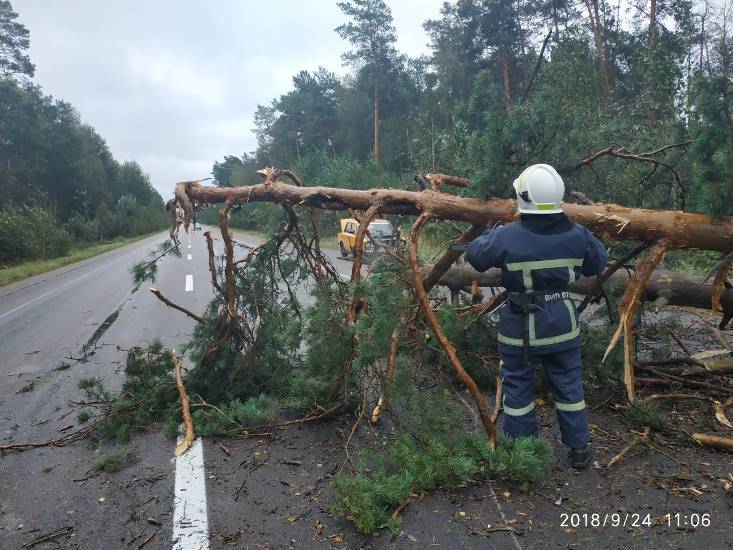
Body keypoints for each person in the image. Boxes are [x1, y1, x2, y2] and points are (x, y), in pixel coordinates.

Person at [465, 164, 607, 469]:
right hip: (563, 324)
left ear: (523, 198)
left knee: (517, 387)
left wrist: (492, 233)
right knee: (569, 388)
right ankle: (579, 449)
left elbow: (476, 256)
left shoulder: (508, 236)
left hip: (521, 327)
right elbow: (598, 262)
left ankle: (523, 455)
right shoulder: (577, 234)